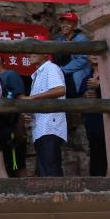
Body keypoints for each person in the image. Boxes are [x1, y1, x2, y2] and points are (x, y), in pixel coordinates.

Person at [22, 41, 68, 176]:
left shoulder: (51, 68)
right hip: (40, 127)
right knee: (44, 169)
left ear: (46, 53)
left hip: (50, 125)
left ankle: (57, 190)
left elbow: (60, 90)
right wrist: (30, 113)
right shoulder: (37, 74)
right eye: (29, 51)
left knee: (50, 167)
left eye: (35, 50)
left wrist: (32, 98)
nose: (30, 54)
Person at [0, 53, 26, 177]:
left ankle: (24, 189)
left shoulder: (10, 75)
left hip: (11, 127)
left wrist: (19, 127)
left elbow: (21, 100)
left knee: (17, 165)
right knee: (4, 165)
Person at [80, 54, 107, 177]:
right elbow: (80, 98)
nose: (94, 55)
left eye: (97, 52)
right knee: (96, 154)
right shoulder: (86, 78)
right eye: (91, 53)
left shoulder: (109, 75)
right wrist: (85, 96)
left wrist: (99, 87)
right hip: (93, 122)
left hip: (108, 121)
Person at [53, 11, 91, 97]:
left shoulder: (81, 39)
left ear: (75, 25)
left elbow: (82, 59)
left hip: (76, 76)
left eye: (68, 23)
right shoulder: (59, 39)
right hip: (62, 76)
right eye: (63, 23)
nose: (64, 25)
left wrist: (62, 70)